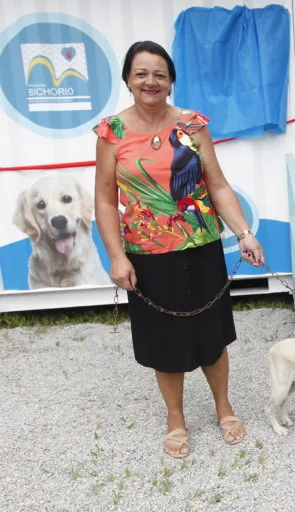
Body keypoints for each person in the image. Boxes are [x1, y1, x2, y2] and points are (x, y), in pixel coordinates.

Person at [94, 41, 265, 459]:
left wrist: (243, 232)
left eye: (159, 74)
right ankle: (176, 418)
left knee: (213, 335)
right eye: (141, 73)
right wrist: (117, 256)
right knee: (163, 340)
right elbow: (103, 197)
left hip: (201, 246)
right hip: (148, 256)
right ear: (128, 80)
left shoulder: (192, 124)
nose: (150, 81)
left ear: (170, 81)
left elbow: (218, 184)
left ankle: (223, 407)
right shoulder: (112, 132)